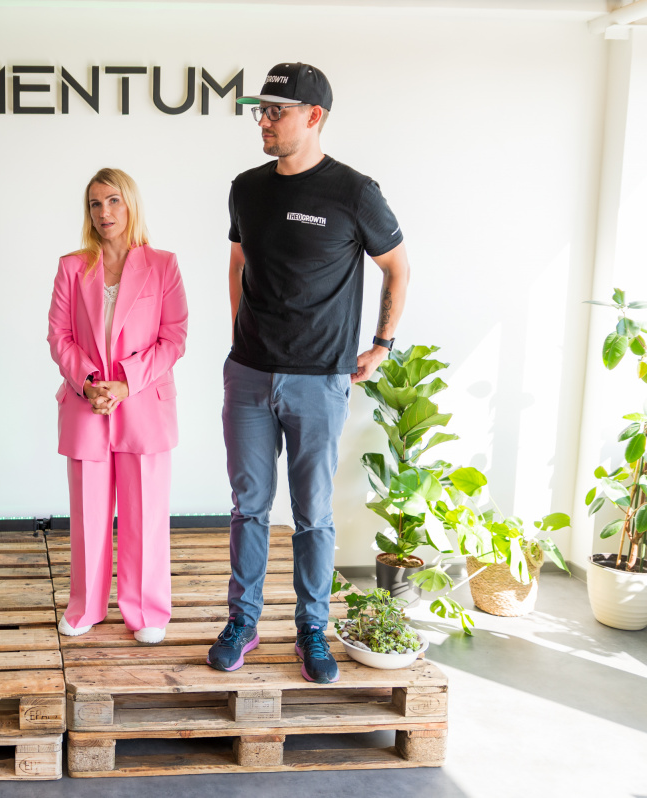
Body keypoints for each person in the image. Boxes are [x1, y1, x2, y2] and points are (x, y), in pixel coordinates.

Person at [206, 64, 411, 682]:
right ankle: (243, 622)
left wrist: (381, 344)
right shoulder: (246, 188)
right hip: (249, 374)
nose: (263, 122)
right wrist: (241, 336)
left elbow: (397, 267)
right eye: (260, 110)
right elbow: (238, 262)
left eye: (276, 111)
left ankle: (311, 631)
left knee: (313, 513)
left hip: (320, 379)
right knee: (248, 507)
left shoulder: (354, 192)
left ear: (313, 116)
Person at [47, 168, 189, 645]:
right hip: (86, 405)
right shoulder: (72, 267)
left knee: (145, 515)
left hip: (144, 406)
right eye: (95, 203)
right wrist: (89, 382)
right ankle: (85, 606)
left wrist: (126, 384)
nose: (103, 212)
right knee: (88, 515)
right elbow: (59, 337)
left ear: (130, 204)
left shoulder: (163, 265)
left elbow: (173, 338)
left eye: (113, 201)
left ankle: (146, 610)